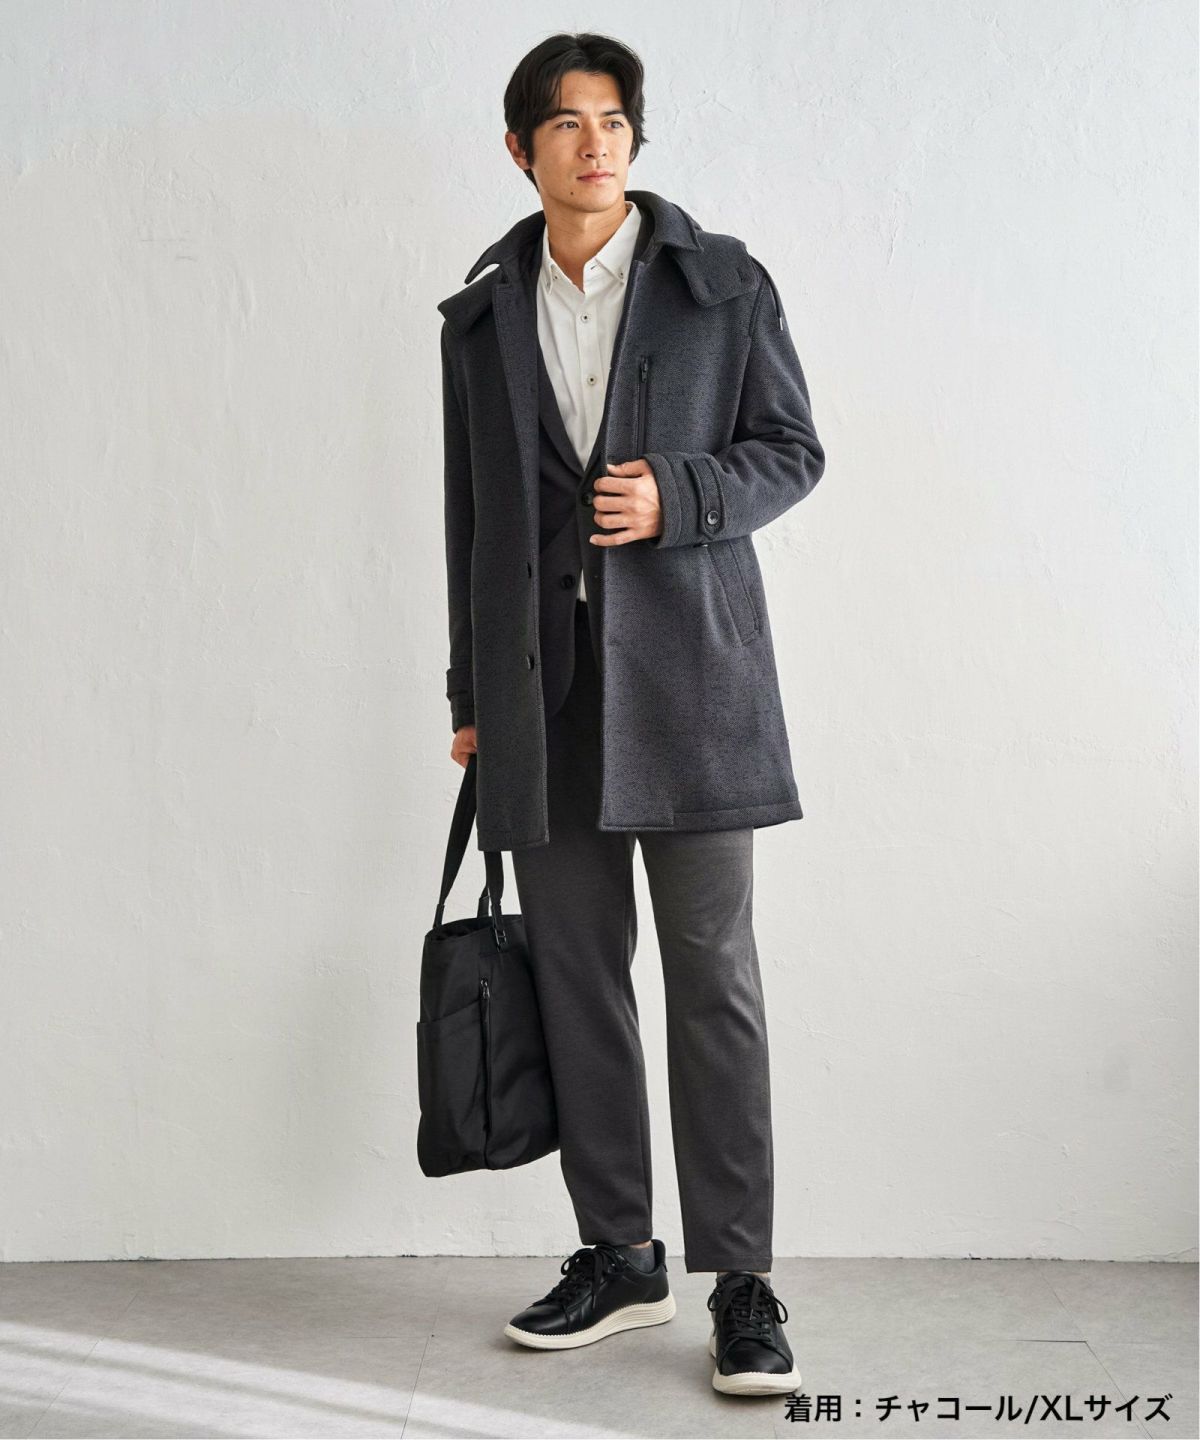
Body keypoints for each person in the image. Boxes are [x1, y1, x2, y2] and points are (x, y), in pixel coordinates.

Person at [436, 31, 825, 1397]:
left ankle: (743, 1281)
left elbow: (793, 451)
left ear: (634, 138)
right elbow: (473, 521)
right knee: (576, 977)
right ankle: (620, 1254)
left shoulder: (723, 285)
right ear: (522, 147)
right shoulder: (480, 318)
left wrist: (683, 496)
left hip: (698, 687)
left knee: (714, 979)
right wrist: (471, 696)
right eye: (566, 122)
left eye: (612, 120)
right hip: (543, 697)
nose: (594, 142)